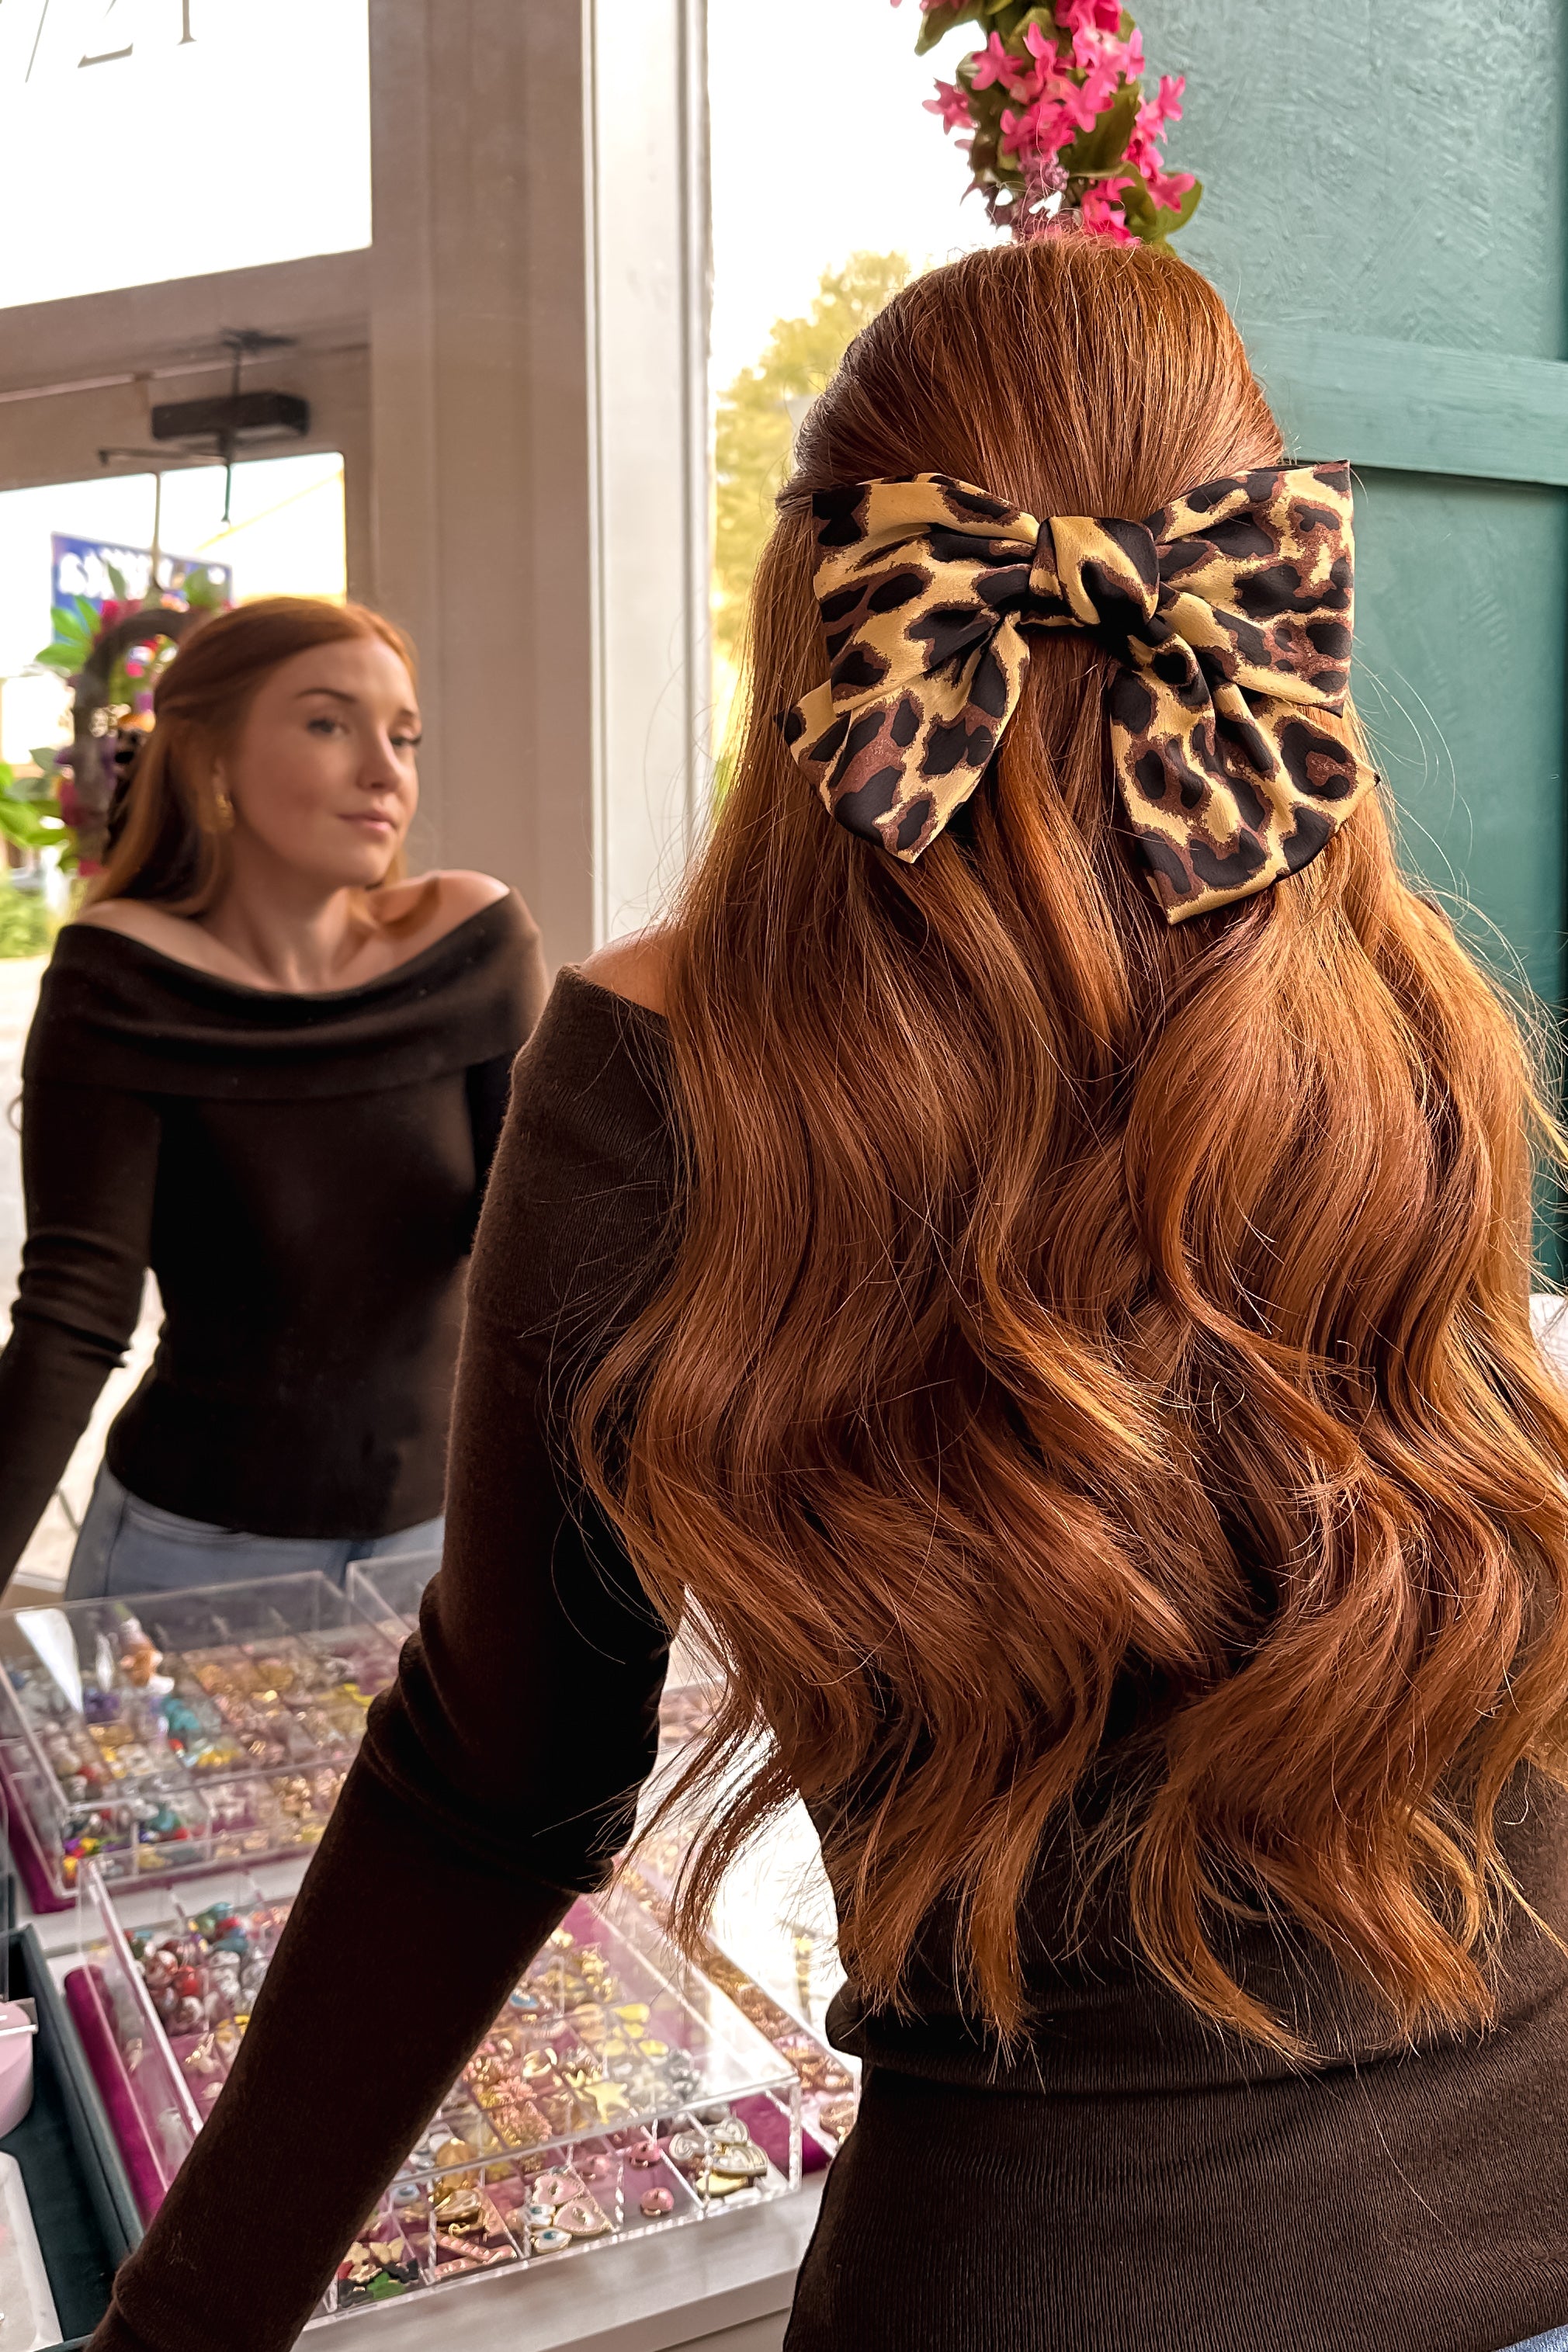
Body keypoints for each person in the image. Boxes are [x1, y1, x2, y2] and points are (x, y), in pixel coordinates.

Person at [87, 238, 1568, 2352]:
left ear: (820, 603)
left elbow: (492, 1772)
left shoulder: (657, 1067)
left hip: (1037, 2286)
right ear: (1268, 590)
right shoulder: (1408, 1007)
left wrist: (185, 2314)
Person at [0, 597, 545, 1597]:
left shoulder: (476, 942)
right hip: (185, 1552)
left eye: (404, 735)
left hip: (445, 1546)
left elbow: (542, 1254)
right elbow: (74, 1314)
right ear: (210, 759)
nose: (385, 769)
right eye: (329, 723)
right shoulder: (114, 980)